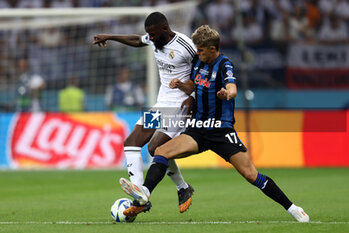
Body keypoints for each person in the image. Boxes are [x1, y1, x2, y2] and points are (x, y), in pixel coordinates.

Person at [119, 25, 310, 223]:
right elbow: (193, 84)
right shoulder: (197, 62)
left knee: (250, 174)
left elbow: (232, 86)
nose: (197, 53)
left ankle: (292, 208)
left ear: (212, 49)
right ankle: (145, 194)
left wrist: (228, 93)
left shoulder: (223, 63)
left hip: (220, 130)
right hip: (195, 128)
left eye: (200, 50)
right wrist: (183, 87)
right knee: (158, 150)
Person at [93, 12, 196, 213]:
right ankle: (142, 195)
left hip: (179, 106)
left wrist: (193, 97)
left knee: (156, 148)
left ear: (165, 29)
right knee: (132, 142)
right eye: (148, 34)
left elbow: (203, 73)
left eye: (154, 34)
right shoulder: (153, 39)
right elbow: (137, 40)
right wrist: (110, 36)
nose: (151, 38)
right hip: (161, 105)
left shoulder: (186, 46)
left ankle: (173, 189)